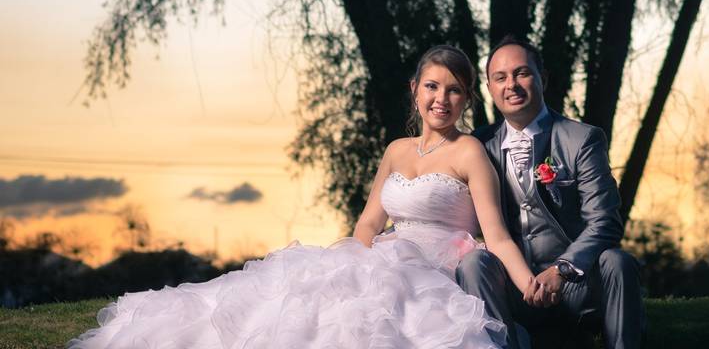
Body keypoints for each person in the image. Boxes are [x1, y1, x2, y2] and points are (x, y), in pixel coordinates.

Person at [69, 45, 538, 349]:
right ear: (414, 90)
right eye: (432, 86)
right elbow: (369, 223)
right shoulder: (396, 151)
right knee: (309, 304)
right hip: (386, 258)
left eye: (454, 90)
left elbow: (494, 236)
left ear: (467, 99)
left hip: (437, 272)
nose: (442, 99)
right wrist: (365, 263)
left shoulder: (470, 151)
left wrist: (526, 283)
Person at [456, 35, 645, 349]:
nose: (511, 85)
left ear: (542, 78)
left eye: (522, 73)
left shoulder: (581, 138)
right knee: (473, 264)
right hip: (513, 291)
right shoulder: (477, 145)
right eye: (500, 78)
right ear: (489, 89)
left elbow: (605, 221)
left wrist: (562, 269)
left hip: (576, 288)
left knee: (617, 261)